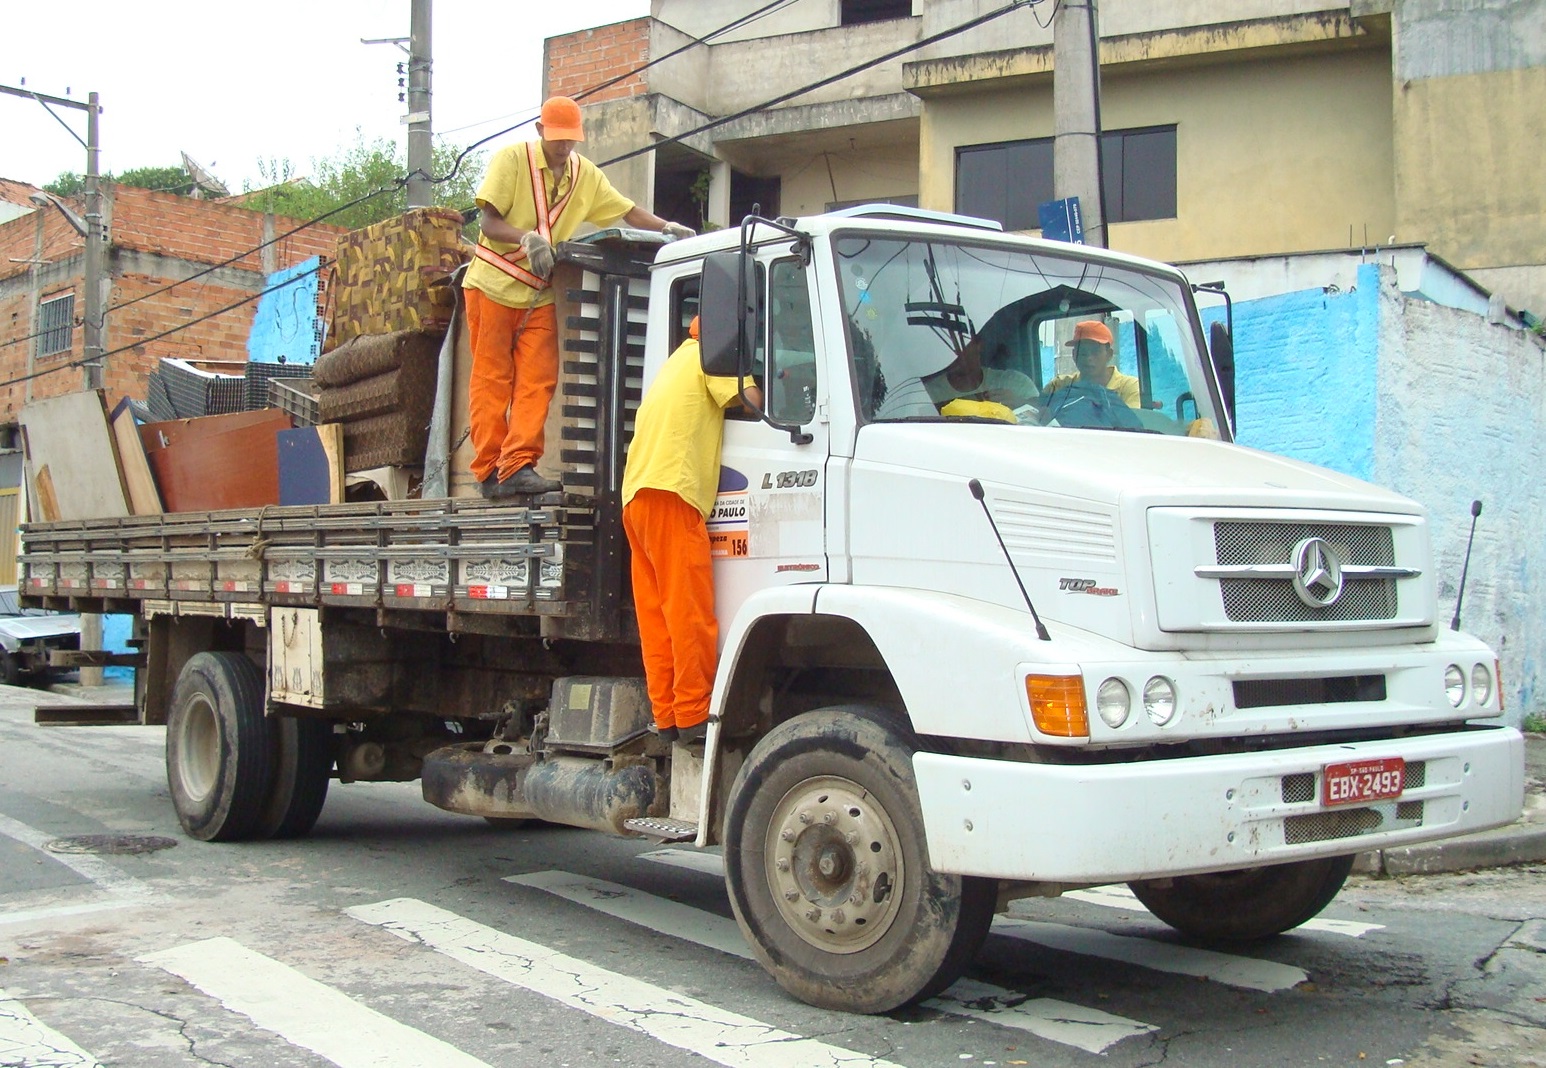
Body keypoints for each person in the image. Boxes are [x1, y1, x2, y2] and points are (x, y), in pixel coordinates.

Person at [464, 95, 695, 498]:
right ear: (540, 132)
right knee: (493, 381)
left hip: (537, 293)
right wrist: (527, 237)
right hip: (493, 285)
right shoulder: (511, 160)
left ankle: (517, 465)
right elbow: (488, 221)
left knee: (538, 380)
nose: (564, 146)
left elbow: (627, 210)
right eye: (557, 138)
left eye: (571, 139)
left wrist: (668, 227)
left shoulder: (583, 174)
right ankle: (488, 472)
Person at [621, 318, 762, 743]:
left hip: (637, 496)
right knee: (689, 613)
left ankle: (667, 718)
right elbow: (755, 403)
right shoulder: (715, 355)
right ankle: (694, 715)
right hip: (673, 494)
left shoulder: (679, 359)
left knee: (657, 617)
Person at [1039, 320, 1141, 410]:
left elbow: (1131, 426)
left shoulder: (1129, 387)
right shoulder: (1059, 385)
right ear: (1074, 355)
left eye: (1095, 351)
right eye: (1082, 352)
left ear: (1109, 354)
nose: (1088, 358)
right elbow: (1033, 410)